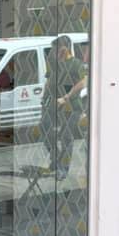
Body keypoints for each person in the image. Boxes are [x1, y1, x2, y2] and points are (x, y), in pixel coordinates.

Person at [41, 35, 87, 180]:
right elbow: (49, 80)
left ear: (65, 48)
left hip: (72, 107)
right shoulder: (54, 64)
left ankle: (63, 168)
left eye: (57, 49)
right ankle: (55, 159)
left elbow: (82, 82)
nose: (54, 52)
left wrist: (66, 97)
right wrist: (44, 98)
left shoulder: (76, 64)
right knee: (45, 129)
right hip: (53, 104)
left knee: (66, 136)